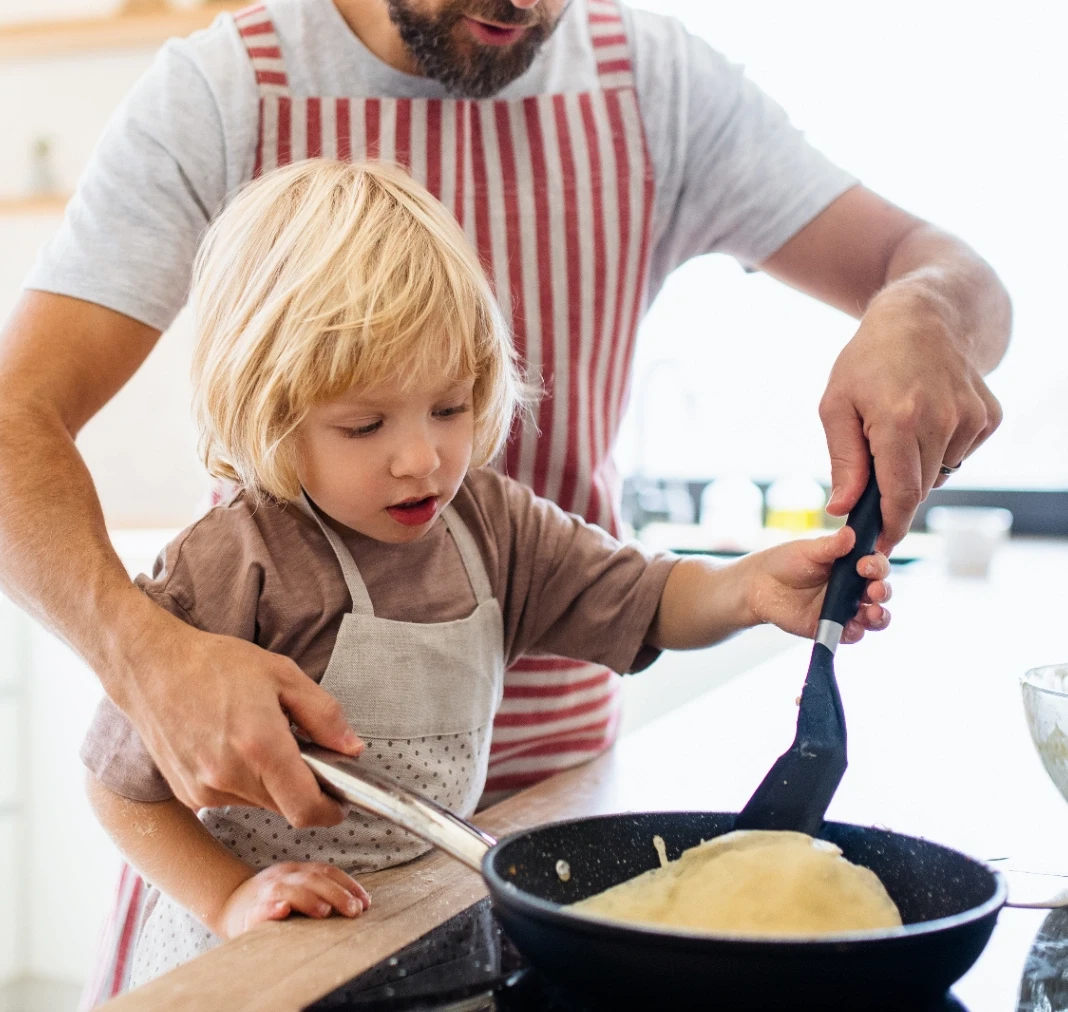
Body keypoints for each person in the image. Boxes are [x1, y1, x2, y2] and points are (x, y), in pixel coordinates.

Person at [0, 0, 1008, 840]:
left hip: (556, 806)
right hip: (280, 821)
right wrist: (144, 650)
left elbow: (946, 268)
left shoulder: (656, 89)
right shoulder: (226, 93)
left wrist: (921, 312)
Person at [79, 158, 893, 993]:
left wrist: (750, 588)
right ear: (270, 413)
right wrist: (232, 899)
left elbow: (646, 600)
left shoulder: (492, 528)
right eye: (364, 425)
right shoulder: (235, 561)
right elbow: (121, 790)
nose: (422, 458)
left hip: (411, 924)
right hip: (247, 957)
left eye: (450, 407)